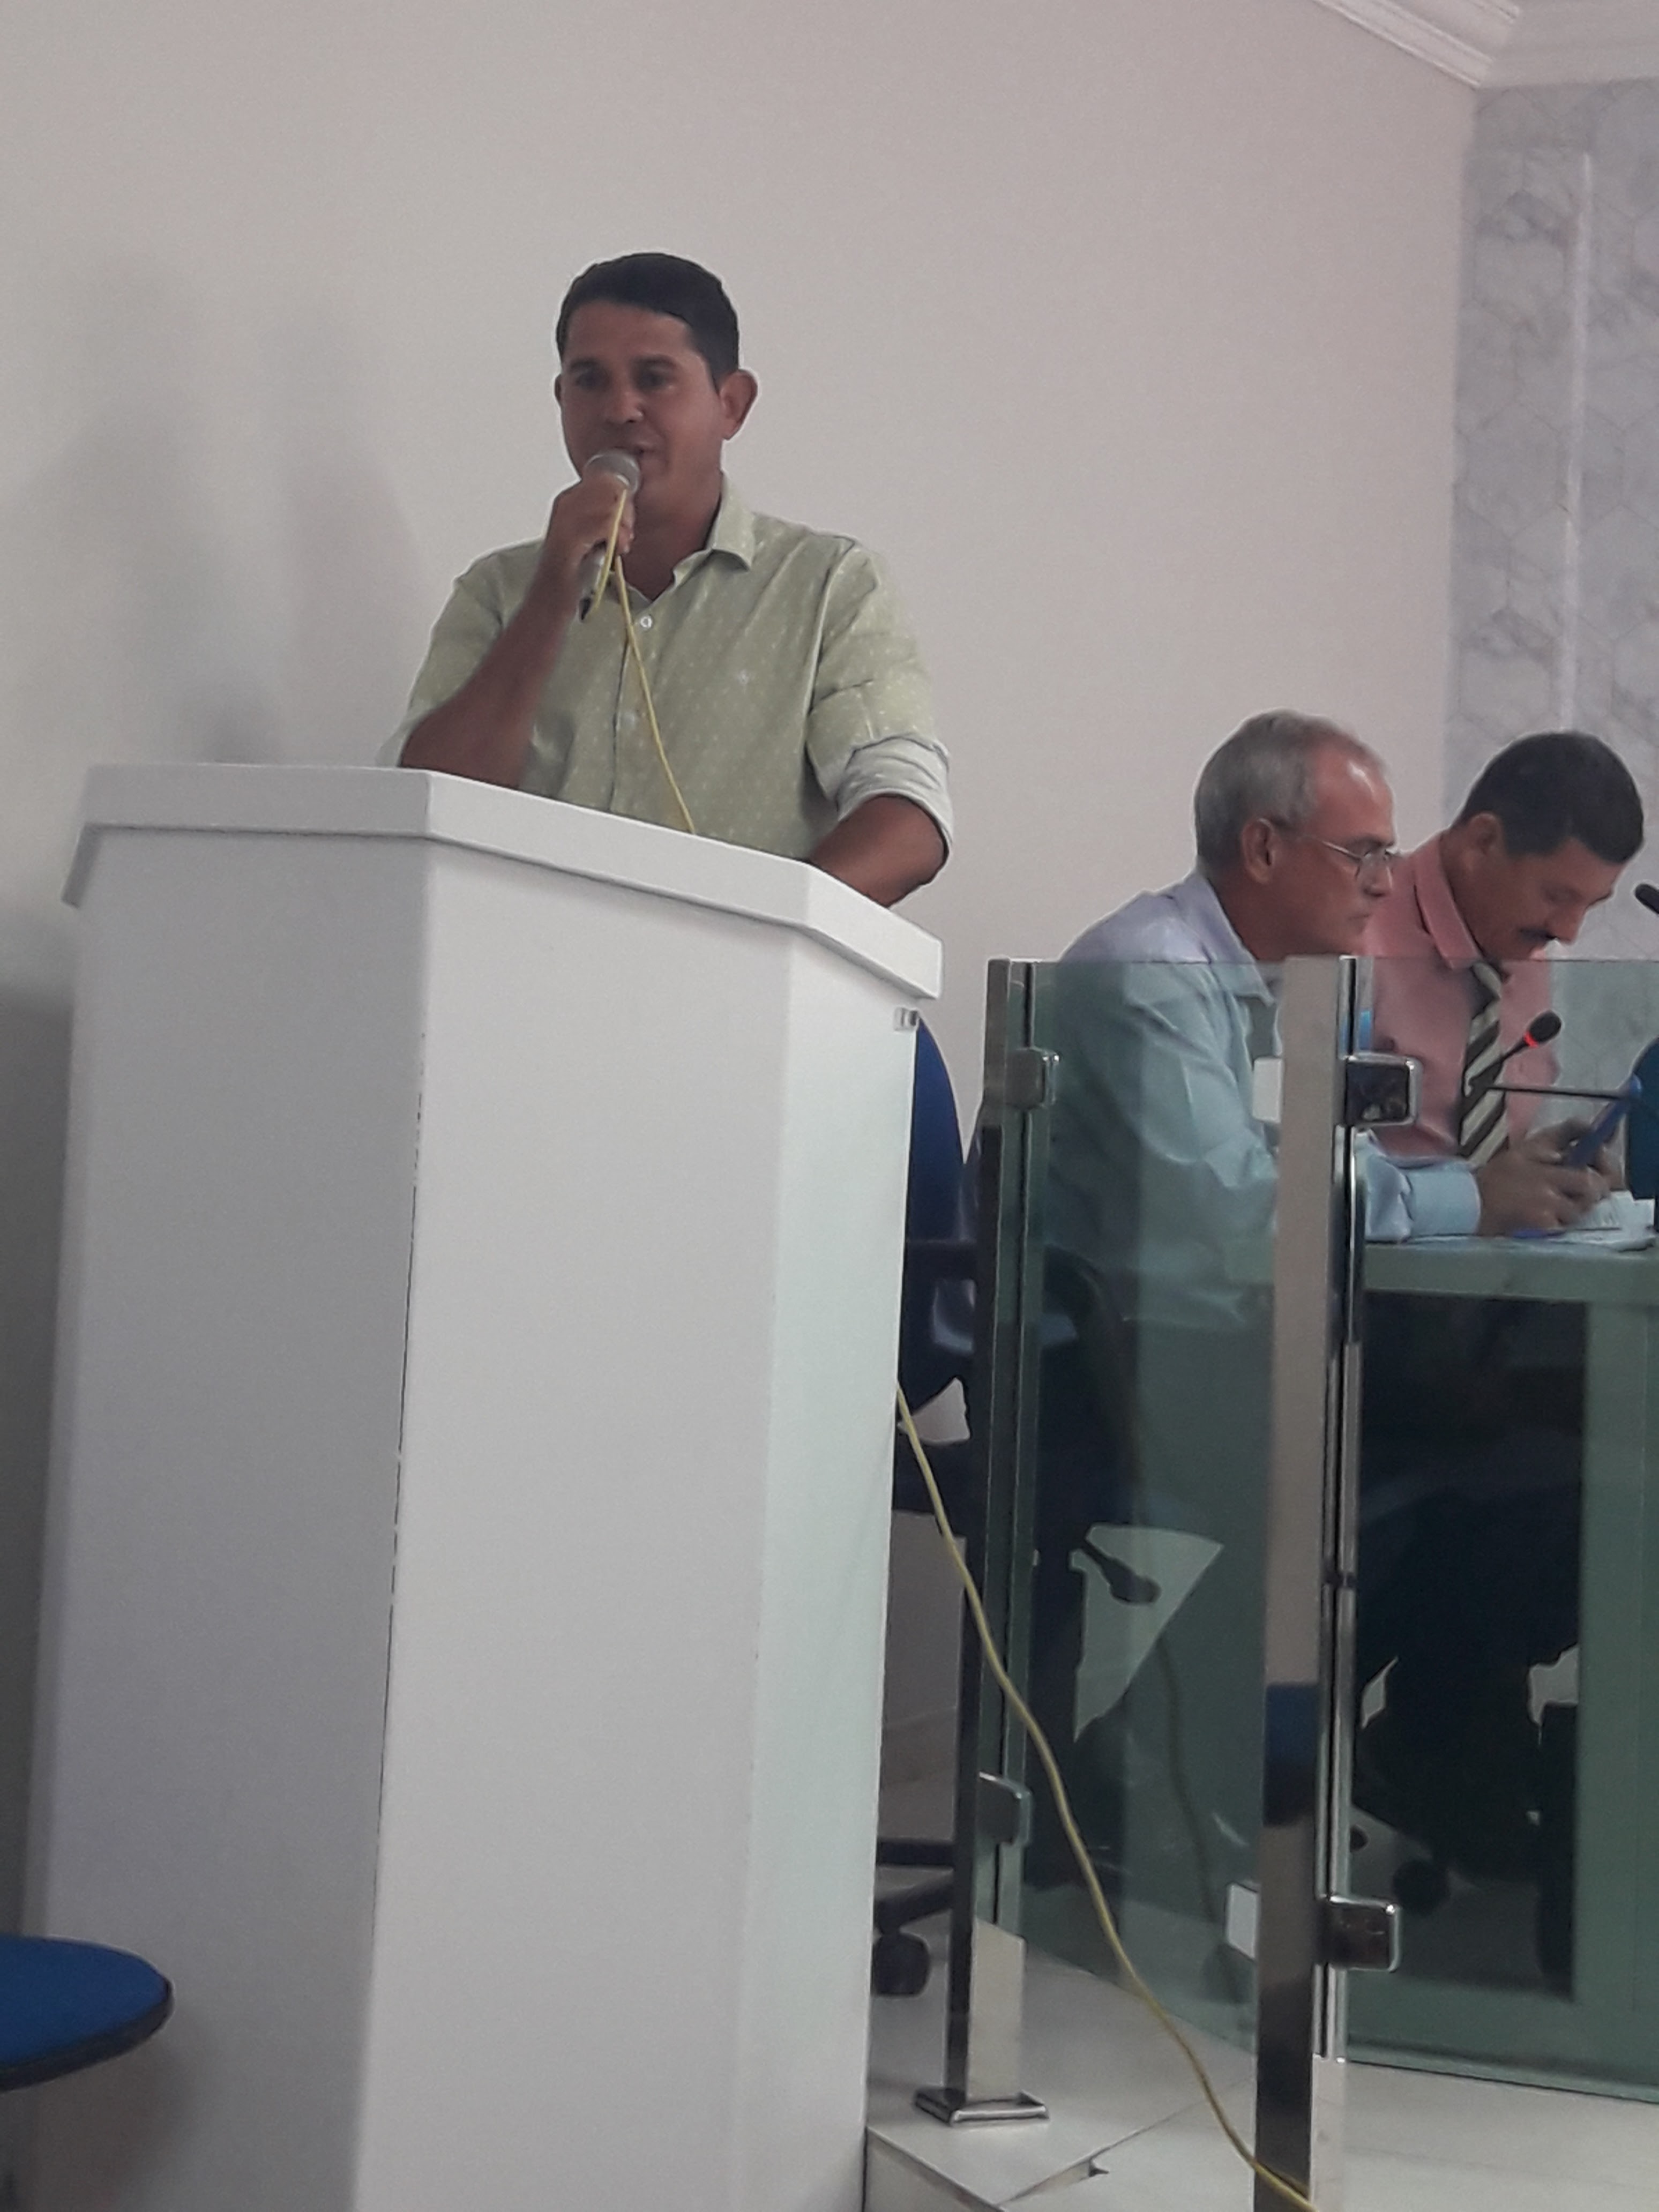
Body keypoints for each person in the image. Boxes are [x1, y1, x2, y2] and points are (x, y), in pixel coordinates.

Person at [391, 253, 950, 909]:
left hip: (743, 971)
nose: (620, 409)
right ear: (562, 399)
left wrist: (759, 934)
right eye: (590, 381)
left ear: (731, 404)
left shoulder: (828, 587)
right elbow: (423, 809)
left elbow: (907, 821)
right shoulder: (498, 592)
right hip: (523, 965)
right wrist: (551, 594)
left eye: (654, 379)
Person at [1366, 731, 1644, 1190]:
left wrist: (1539, 1167)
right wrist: (1475, 1199)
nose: (1568, 932)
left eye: (1591, 905)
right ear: (1484, 841)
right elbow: (1301, 1169)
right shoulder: (1354, 929)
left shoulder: (1521, 946)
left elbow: (1483, 1153)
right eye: (1556, 896)